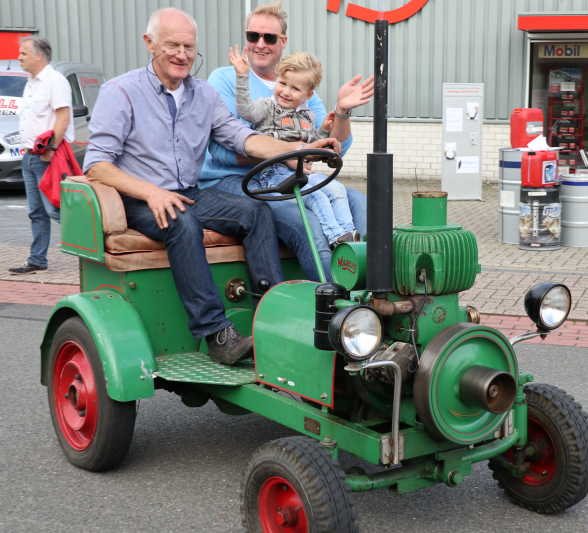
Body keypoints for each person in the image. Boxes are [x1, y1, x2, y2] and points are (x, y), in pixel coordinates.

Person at [83, 8, 340, 365]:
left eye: (189, 47)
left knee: (256, 211)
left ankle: (272, 317)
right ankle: (216, 333)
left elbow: (243, 139)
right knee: (182, 220)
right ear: (149, 43)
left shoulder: (203, 94)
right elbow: (96, 164)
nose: (182, 55)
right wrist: (151, 192)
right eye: (172, 45)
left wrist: (298, 150)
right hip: (140, 197)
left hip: (188, 192)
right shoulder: (121, 92)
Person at [199, 0, 373, 281]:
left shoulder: (300, 88)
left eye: (269, 37)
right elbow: (223, 149)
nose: (260, 44)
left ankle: (368, 281)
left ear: (283, 41)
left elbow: (332, 148)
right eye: (252, 36)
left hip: (289, 175)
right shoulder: (226, 78)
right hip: (233, 178)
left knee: (357, 200)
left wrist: (341, 111)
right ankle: (339, 299)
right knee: (306, 222)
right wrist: (289, 153)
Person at [230, 48, 359, 248]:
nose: (286, 92)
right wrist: (242, 76)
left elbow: (311, 150)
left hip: (303, 171)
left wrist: (324, 131)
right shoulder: (267, 107)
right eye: (282, 83)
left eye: (295, 89)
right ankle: (335, 238)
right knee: (316, 196)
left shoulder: (309, 116)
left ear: (309, 94)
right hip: (275, 173)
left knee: (337, 189)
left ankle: (349, 235)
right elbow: (245, 110)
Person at [8, 37, 72, 275]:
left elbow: (63, 119)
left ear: (39, 56)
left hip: (47, 157)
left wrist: (51, 151)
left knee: (55, 209)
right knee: (36, 212)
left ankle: (96, 250)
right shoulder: (32, 82)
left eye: (23, 53)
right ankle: (37, 260)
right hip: (29, 157)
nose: (19, 57)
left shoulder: (55, 81)